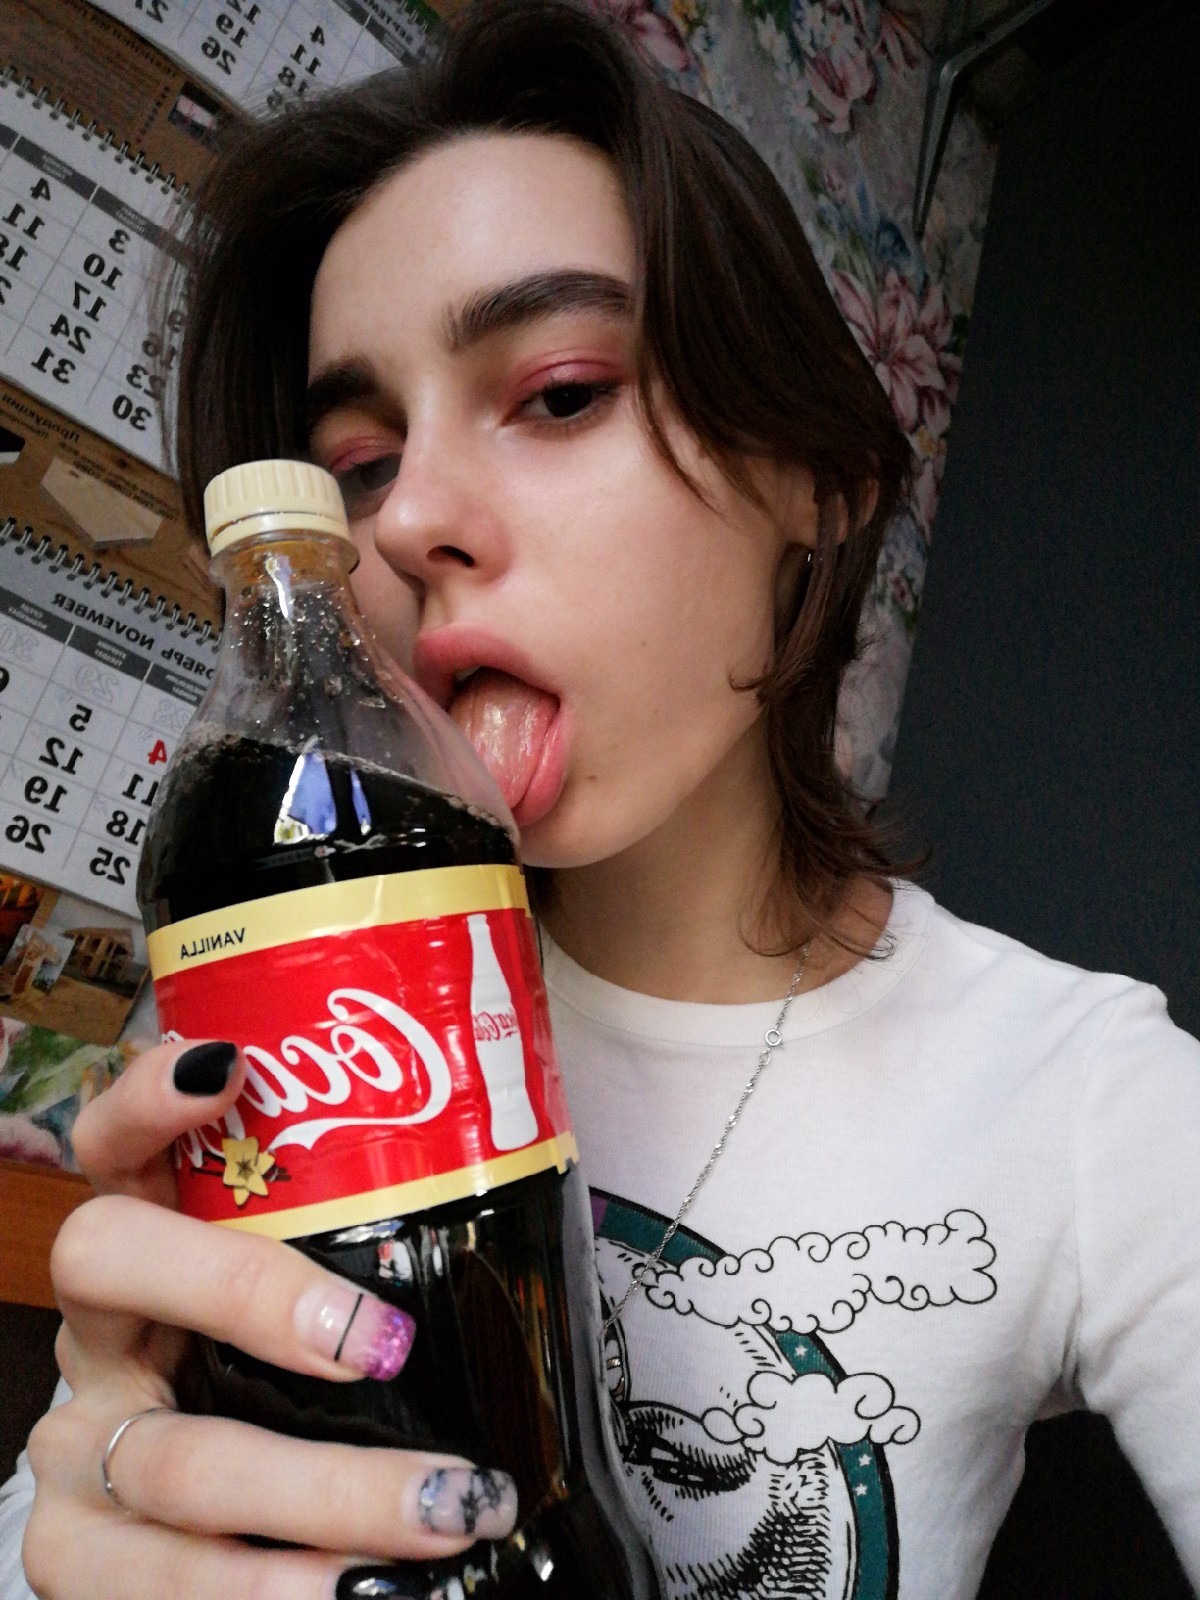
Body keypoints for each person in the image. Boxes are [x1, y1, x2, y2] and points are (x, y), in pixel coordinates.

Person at [3, 3, 1200, 1597]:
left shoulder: (1089, 1096)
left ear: (815, 484)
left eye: (561, 393)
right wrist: (94, 1483)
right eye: (357, 464)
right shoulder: (300, 1024)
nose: (405, 522)